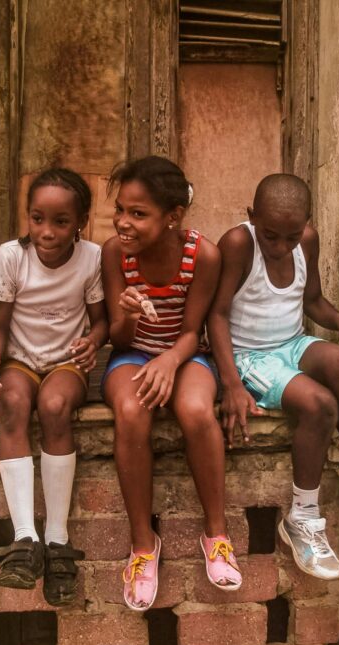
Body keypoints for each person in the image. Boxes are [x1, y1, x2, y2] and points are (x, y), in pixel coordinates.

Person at [208, 173, 339, 581]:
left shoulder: (306, 239)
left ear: (306, 223)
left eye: (291, 237)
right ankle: (303, 518)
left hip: (291, 343)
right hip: (248, 356)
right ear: (252, 216)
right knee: (319, 405)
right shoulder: (239, 243)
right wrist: (231, 383)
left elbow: (311, 300)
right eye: (271, 235)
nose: (280, 247)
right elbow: (215, 314)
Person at [101, 156, 242, 611]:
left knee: (197, 411)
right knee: (131, 410)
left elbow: (191, 330)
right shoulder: (114, 254)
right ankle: (144, 546)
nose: (124, 222)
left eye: (138, 214)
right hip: (130, 354)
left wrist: (169, 362)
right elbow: (118, 337)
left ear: (173, 216)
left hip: (185, 355)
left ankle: (216, 536)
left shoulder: (202, 254)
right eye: (120, 209)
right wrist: (126, 311)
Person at [0, 168, 108, 606]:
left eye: (60, 222)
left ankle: (57, 539)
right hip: (20, 360)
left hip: (66, 364)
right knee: (12, 401)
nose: (47, 232)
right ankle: (25, 539)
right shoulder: (12, 257)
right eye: (37, 219)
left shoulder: (92, 258)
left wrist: (93, 342)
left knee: (54, 407)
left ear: (81, 223)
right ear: (27, 217)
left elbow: (102, 320)